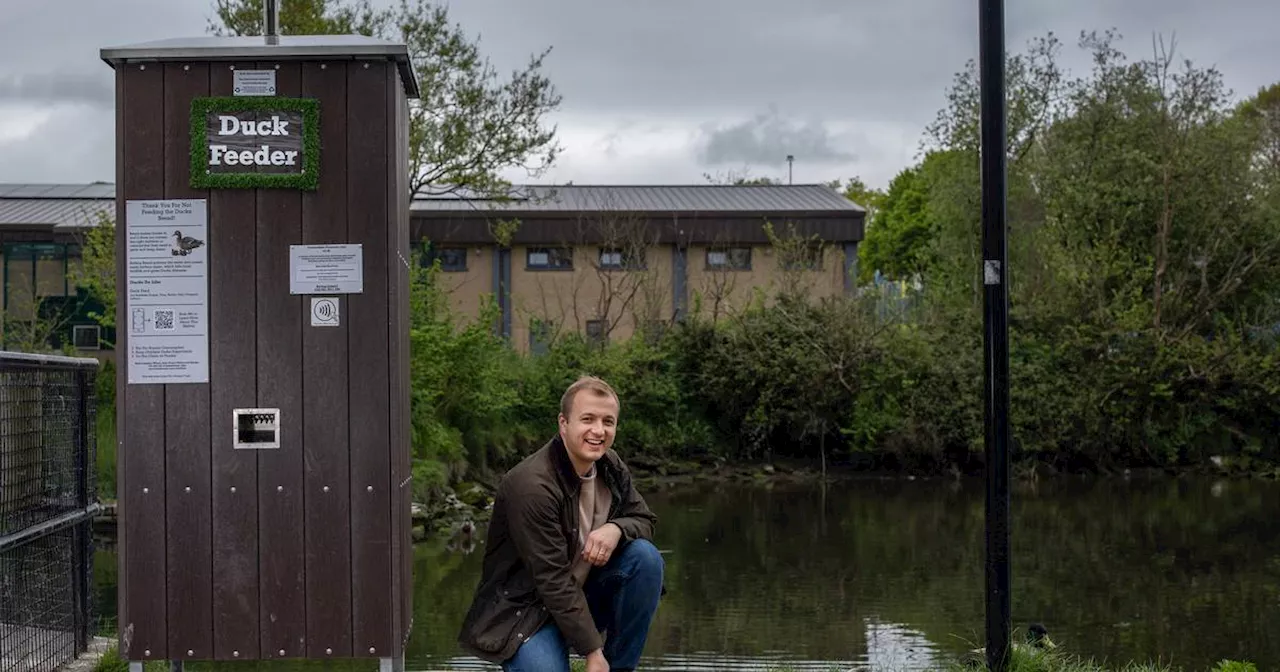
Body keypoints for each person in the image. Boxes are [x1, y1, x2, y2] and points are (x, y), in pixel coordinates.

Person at [458, 375, 665, 672]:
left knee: (645, 559)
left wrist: (616, 529)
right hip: (527, 612)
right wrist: (593, 652)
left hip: (584, 594)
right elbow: (552, 581)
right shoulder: (531, 486)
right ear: (563, 424)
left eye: (608, 421)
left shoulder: (610, 464)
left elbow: (644, 520)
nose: (599, 430)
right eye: (588, 419)